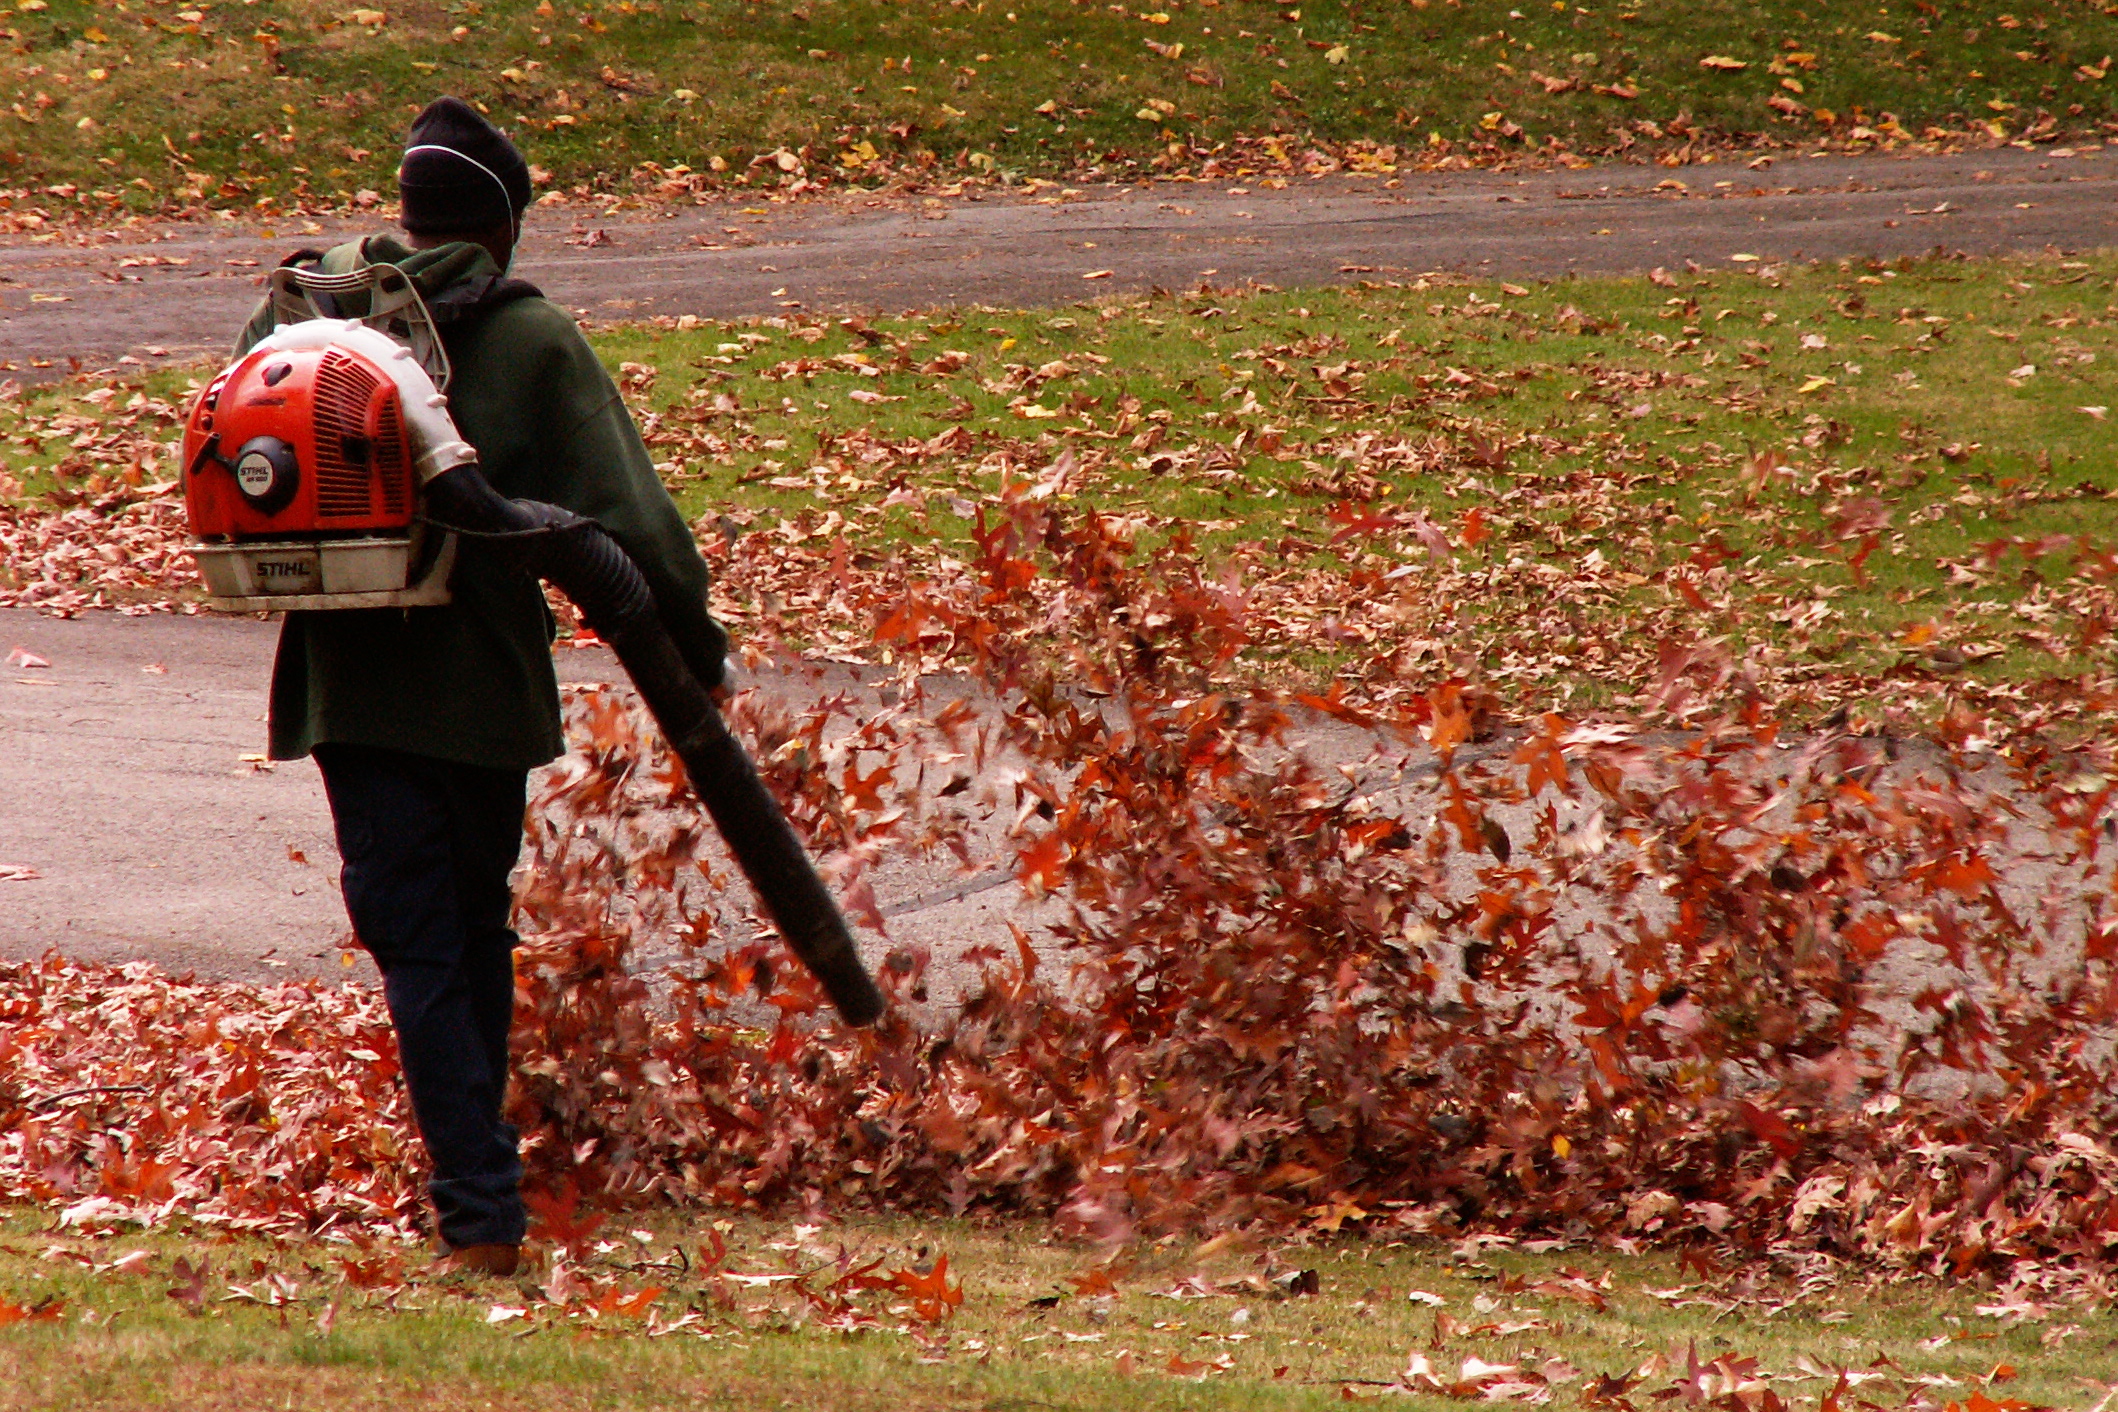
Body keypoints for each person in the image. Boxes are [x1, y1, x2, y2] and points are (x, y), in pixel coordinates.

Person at [233, 97, 728, 1276]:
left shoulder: (300, 313)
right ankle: (481, 1212)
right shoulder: (527, 333)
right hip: (480, 689)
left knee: (422, 943)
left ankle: (478, 1199)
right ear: (500, 229)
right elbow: (638, 529)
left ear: (410, 209)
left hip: (345, 681)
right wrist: (694, 652)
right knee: (460, 933)